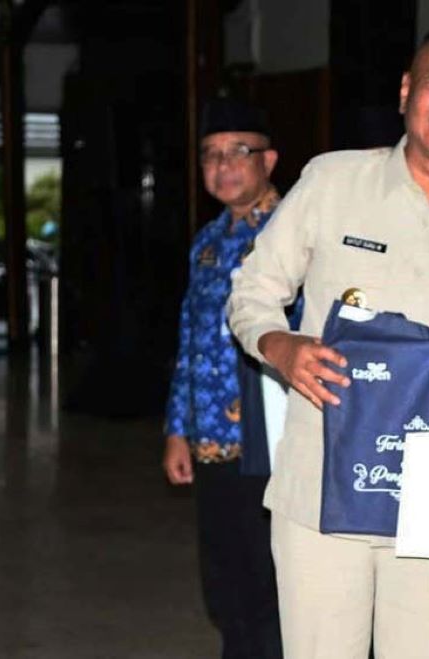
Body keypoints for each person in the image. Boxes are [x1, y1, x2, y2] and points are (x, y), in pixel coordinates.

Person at [225, 22, 429, 659]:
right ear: (406, 91)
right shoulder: (332, 181)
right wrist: (280, 346)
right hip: (321, 489)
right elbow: (252, 291)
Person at [162, 97, 285, 659]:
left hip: (271, 442)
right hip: (212, 442)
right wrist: (177, 429)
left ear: (269, 160)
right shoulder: (207, 242)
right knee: (224, 581)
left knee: (270, 584)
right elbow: (190, 342)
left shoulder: (293, 234)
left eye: (239, 151)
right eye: (211, 155)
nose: (223, 165)